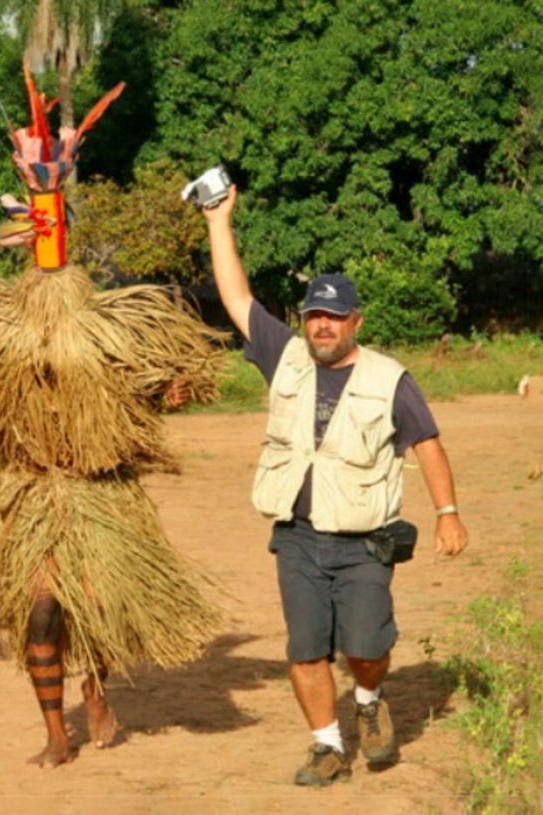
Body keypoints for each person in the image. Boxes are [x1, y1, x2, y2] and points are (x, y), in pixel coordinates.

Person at [0, 70, 225, 767]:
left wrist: (168, 392)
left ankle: (97, 686)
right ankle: (55, 730)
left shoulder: (108, 323)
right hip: (33, 493)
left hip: (98, 492)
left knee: (93, 607)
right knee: (42, 609)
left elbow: (174, 376)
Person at [200, 184, 469, 785]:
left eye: (333, 317)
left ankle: (369, 700)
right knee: (305, 649)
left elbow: (427, 444)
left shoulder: (390, 379)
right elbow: (236, 298)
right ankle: (327, 745)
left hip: (363, 539)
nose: (321, 327)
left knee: (367, 646)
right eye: (313, 316)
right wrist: (219, 221)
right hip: (296, 536)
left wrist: (447, 510)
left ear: (355, 322)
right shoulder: (286, 355)